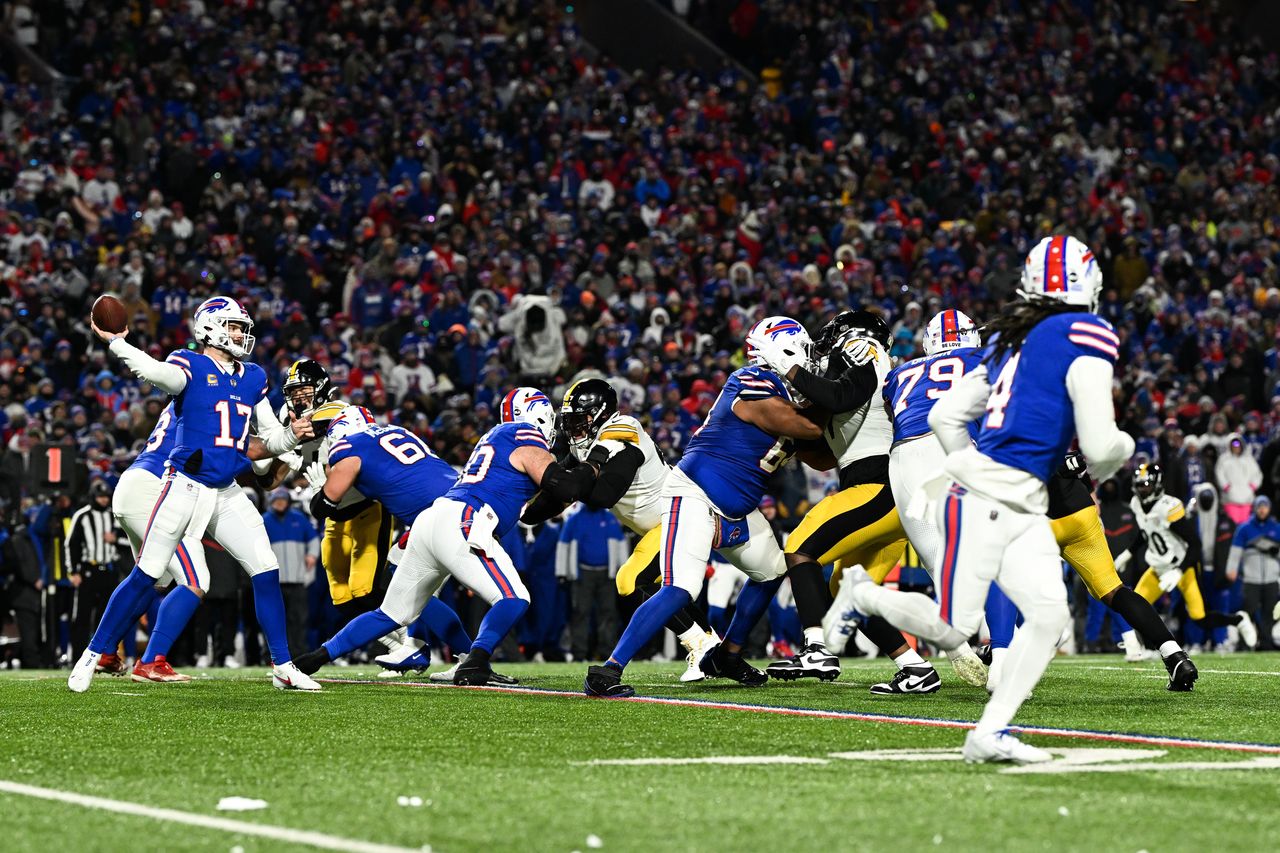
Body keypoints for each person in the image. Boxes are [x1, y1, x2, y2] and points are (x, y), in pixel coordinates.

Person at [847, 236, 1135, 763]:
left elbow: (940, 417)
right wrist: (1123, 449)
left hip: (984, 492)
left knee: (1042, 618)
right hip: (1003, 497)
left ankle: (988, 733)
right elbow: (1099, 446)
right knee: (981, 624)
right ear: (1087, 281)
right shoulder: (1085, 332)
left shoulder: (1009, 341)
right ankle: (869, 599)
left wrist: (966, 469)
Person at [69, 295, 319, 692]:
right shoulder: (190, 364)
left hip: (226, 491)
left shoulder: (253, 376)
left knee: (265, 566)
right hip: (182, 484)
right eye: (233, 326)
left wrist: (293, 435)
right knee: (149, 572)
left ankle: (283, 665)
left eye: (242, 327)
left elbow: (268, 438)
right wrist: (116, 342)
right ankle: (89, 656)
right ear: (211, 327)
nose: (240, 334)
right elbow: (154, 372)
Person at [584, 316, 823, 698]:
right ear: (784, 347)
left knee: (773, 570)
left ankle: (726, 654)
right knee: (682, 587)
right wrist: (840, 400)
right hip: (696, 493)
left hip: (738, 507)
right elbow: (804, 427)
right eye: (804, 349)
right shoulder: (751, 380)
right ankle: (608, 670)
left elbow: (821, 455)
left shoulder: (786, 391)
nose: (809, 359)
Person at [295, 388, 601, 685]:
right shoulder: (524, 434)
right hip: (464, 520)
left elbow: (536, 509)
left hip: (432, 519)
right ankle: (475, 661)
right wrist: (595, 466)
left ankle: (314, 658)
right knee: (515, 598)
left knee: (389, 613)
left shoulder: (498, 437)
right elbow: (563, 486)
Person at [749, 310, 985, 694]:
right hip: (885, 491)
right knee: (851, 592)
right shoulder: (844, 370)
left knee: (798, 548)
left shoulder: (863, 347)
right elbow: (828, 451)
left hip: (879, 485)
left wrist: (791, 369)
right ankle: (915, 668)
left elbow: (844, 394)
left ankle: (816, 647)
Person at [523, 377, 720, 681]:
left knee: (630, 580)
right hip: (658, 526)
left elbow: (604, 495)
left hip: (678, 518)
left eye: (582, 419)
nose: (575, 427)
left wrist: (572, 485)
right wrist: (519, 512)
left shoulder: (623, 429)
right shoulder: (585, 447)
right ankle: (710, 644)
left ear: (601, 414)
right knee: (662, 589)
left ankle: (700, 642)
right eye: (571, 420)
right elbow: (549, 503)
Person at [300, 405, 499, 682]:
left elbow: (325, 505)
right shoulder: (395, 431)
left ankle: (458, 654)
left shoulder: (350, 445)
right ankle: (433, 649)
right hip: (461, 502)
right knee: (403, 573)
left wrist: (319, 492)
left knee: (410, 593)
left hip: (442, 516)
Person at [1128, 462, 1258, 650]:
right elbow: (1145, 531)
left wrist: (1179, 571)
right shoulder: (1137, 505)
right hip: (1158, 566)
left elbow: (1195, 544)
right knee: (1135, 607)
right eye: (1139, 485)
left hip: (1182, 566)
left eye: (1146, 485)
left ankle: (1238, 619)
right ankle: (1147, 648)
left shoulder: (1168, 507)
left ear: (1157, 485)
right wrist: (1127, 553)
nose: (1142, 490)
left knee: (1199, 617)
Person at [557, 503, 626, 662]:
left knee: (608, 613)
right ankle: (579, 654)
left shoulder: (610, 518)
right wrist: (562, 572)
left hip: (607, 574)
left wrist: (624, 572)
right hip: (582, 573)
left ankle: (607, 652)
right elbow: (563, 545)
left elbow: (621, 545)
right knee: (581, 613)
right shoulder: (575, 519)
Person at [64, 479, 124, 660]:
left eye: (106, 496)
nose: (104, 500)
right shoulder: (82, 516)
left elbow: (130, 540)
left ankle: (102, 658)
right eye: (100, 496)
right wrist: (73, 571)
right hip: (88, 571)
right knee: (82, 616)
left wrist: (115, 540)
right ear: (93, 497)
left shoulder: (116, 516)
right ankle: (77, 657)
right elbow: (71, 544)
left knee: (106, 616)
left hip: (110, 570)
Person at [263, 488, 319, 659]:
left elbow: (314, 539)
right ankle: (274, 655)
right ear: (271, 501)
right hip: (275, 582)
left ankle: (298, 653)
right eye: (277, 500)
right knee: (275, 621)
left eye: (283, 500)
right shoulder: (264, 520)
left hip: (297, 579)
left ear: (288, 501)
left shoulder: (299, 518)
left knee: (299, 619)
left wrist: (312, 555)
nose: (280, 503)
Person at [1225, 496, 1280, 650]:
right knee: (1248, 612)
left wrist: (1275, 551)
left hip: (1271, 579)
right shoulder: (1245, 528)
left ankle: (1266, 643)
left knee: (1269, 612)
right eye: (1259, 506)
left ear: (1269, 508)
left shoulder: (1277, 528)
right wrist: (1232, 569)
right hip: (1251, 579)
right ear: (1255, 508)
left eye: (1265, 506)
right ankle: (1244, 644)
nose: (1262, 510)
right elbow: (1235, 551)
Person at [1217, 435, 1263, 525]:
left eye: (1238, 444)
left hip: (1247, 499)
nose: (1236, 447)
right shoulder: (1223, 459)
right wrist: (1226, 487)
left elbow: (1257, 475)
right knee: (1232, 526)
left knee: (1245, 526)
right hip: (1230, 499)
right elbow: (1219, 474)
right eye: (1233, 445)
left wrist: (1252, 487)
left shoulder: (1249, 459)